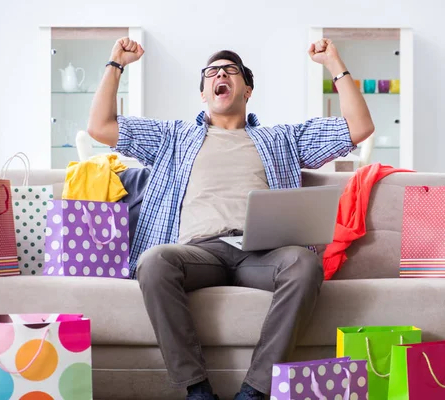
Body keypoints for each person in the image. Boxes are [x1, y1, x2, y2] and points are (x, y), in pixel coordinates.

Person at [87, 36, 374, 400]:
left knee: (304, 263)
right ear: (204, 93)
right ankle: (197, 389)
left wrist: (335, 63)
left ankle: (255, 390)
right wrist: (116, 64)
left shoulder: (280, 138)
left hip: (261, 254)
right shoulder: (172, 137)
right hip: (198, 253)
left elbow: (358, 128)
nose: (220, 73)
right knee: (153, 261)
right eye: (211, 72)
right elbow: (100, 126)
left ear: (247, 90)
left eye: (230, 70)